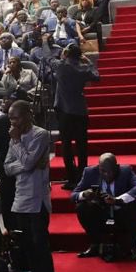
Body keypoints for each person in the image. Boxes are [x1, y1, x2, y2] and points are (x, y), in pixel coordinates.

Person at [4, 100, 56, 272]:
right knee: (29, 251)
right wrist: (26, 164)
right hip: (20, 199)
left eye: (15, 117)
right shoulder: (15, 139)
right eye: (10, 118)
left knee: (41, 251)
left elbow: (26, 163)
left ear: (28, 115)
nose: (12, 122)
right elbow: (7, 167)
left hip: (37, 202)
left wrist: (18, 146)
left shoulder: (40, 134)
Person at [73, 153, 136, 261]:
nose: (106, 174)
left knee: (133, 205)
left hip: (121, 214)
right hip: (100, 214)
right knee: (82, 207)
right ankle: (95, 245)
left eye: (110, 171)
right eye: (103, 171)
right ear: (98, 168)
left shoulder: (126, 171)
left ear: (117, 168)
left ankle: (133, 248)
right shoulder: (90, 172)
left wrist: (117, 200)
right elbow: (74, 195)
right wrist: (84, 194)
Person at [54, 43, 101, 187]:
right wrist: (89, 62)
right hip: (80, 110)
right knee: (82, 146)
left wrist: (44, 42)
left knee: (66, 145)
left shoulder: (61, 66)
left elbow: (46, 56)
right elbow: (97, 77)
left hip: (64, 111)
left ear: (66, 54)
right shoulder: (84, 68)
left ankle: (71, 178)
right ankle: (83, 177)